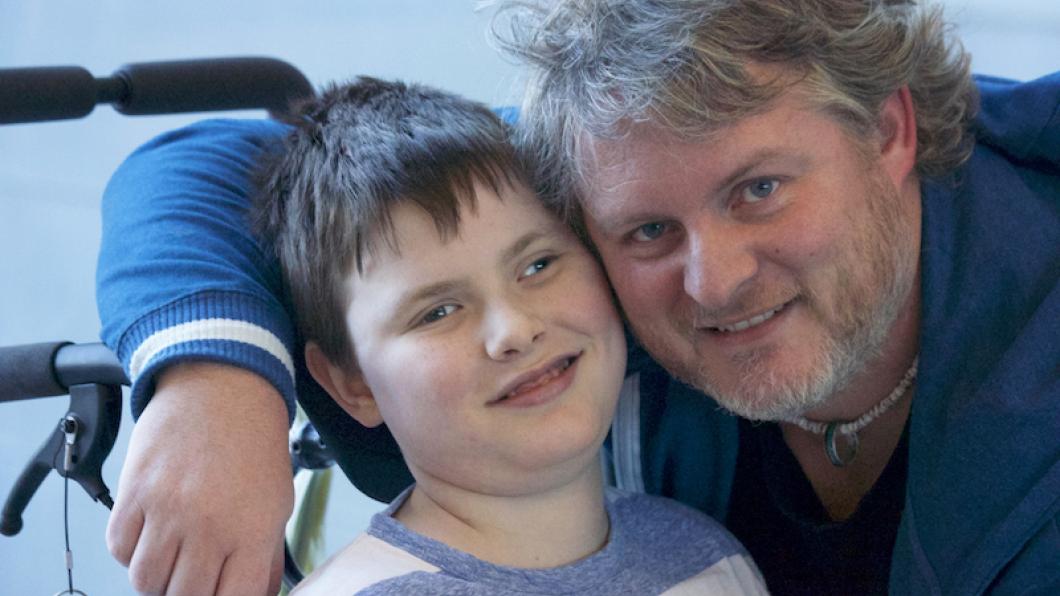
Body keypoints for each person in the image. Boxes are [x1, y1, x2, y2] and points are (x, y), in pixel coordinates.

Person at [96, 0, 1059, 594]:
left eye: (759, 190)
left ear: (890, 131)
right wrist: (213, 384)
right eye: (647, 232)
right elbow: (222, 165)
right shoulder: (593, 186)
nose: (711, 280)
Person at [253, 76, 764, 594]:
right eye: (438, 312)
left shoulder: (706, 557)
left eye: (538, 265)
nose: (514, 330)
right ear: (354, 385)